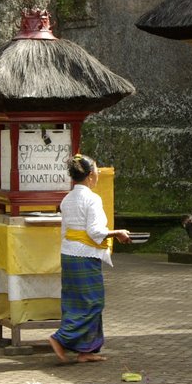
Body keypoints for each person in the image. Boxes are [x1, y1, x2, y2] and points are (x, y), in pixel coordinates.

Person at [48, 154, 131, 364]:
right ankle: (61, 338)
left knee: (75, 301)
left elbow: (65, 231)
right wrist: (118, 232)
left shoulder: (67, 199)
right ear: (91, 176)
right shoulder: (92, 199)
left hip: (69, 253)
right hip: (84, 254)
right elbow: (95, 232)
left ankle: (86, 350)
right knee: (93, 302)